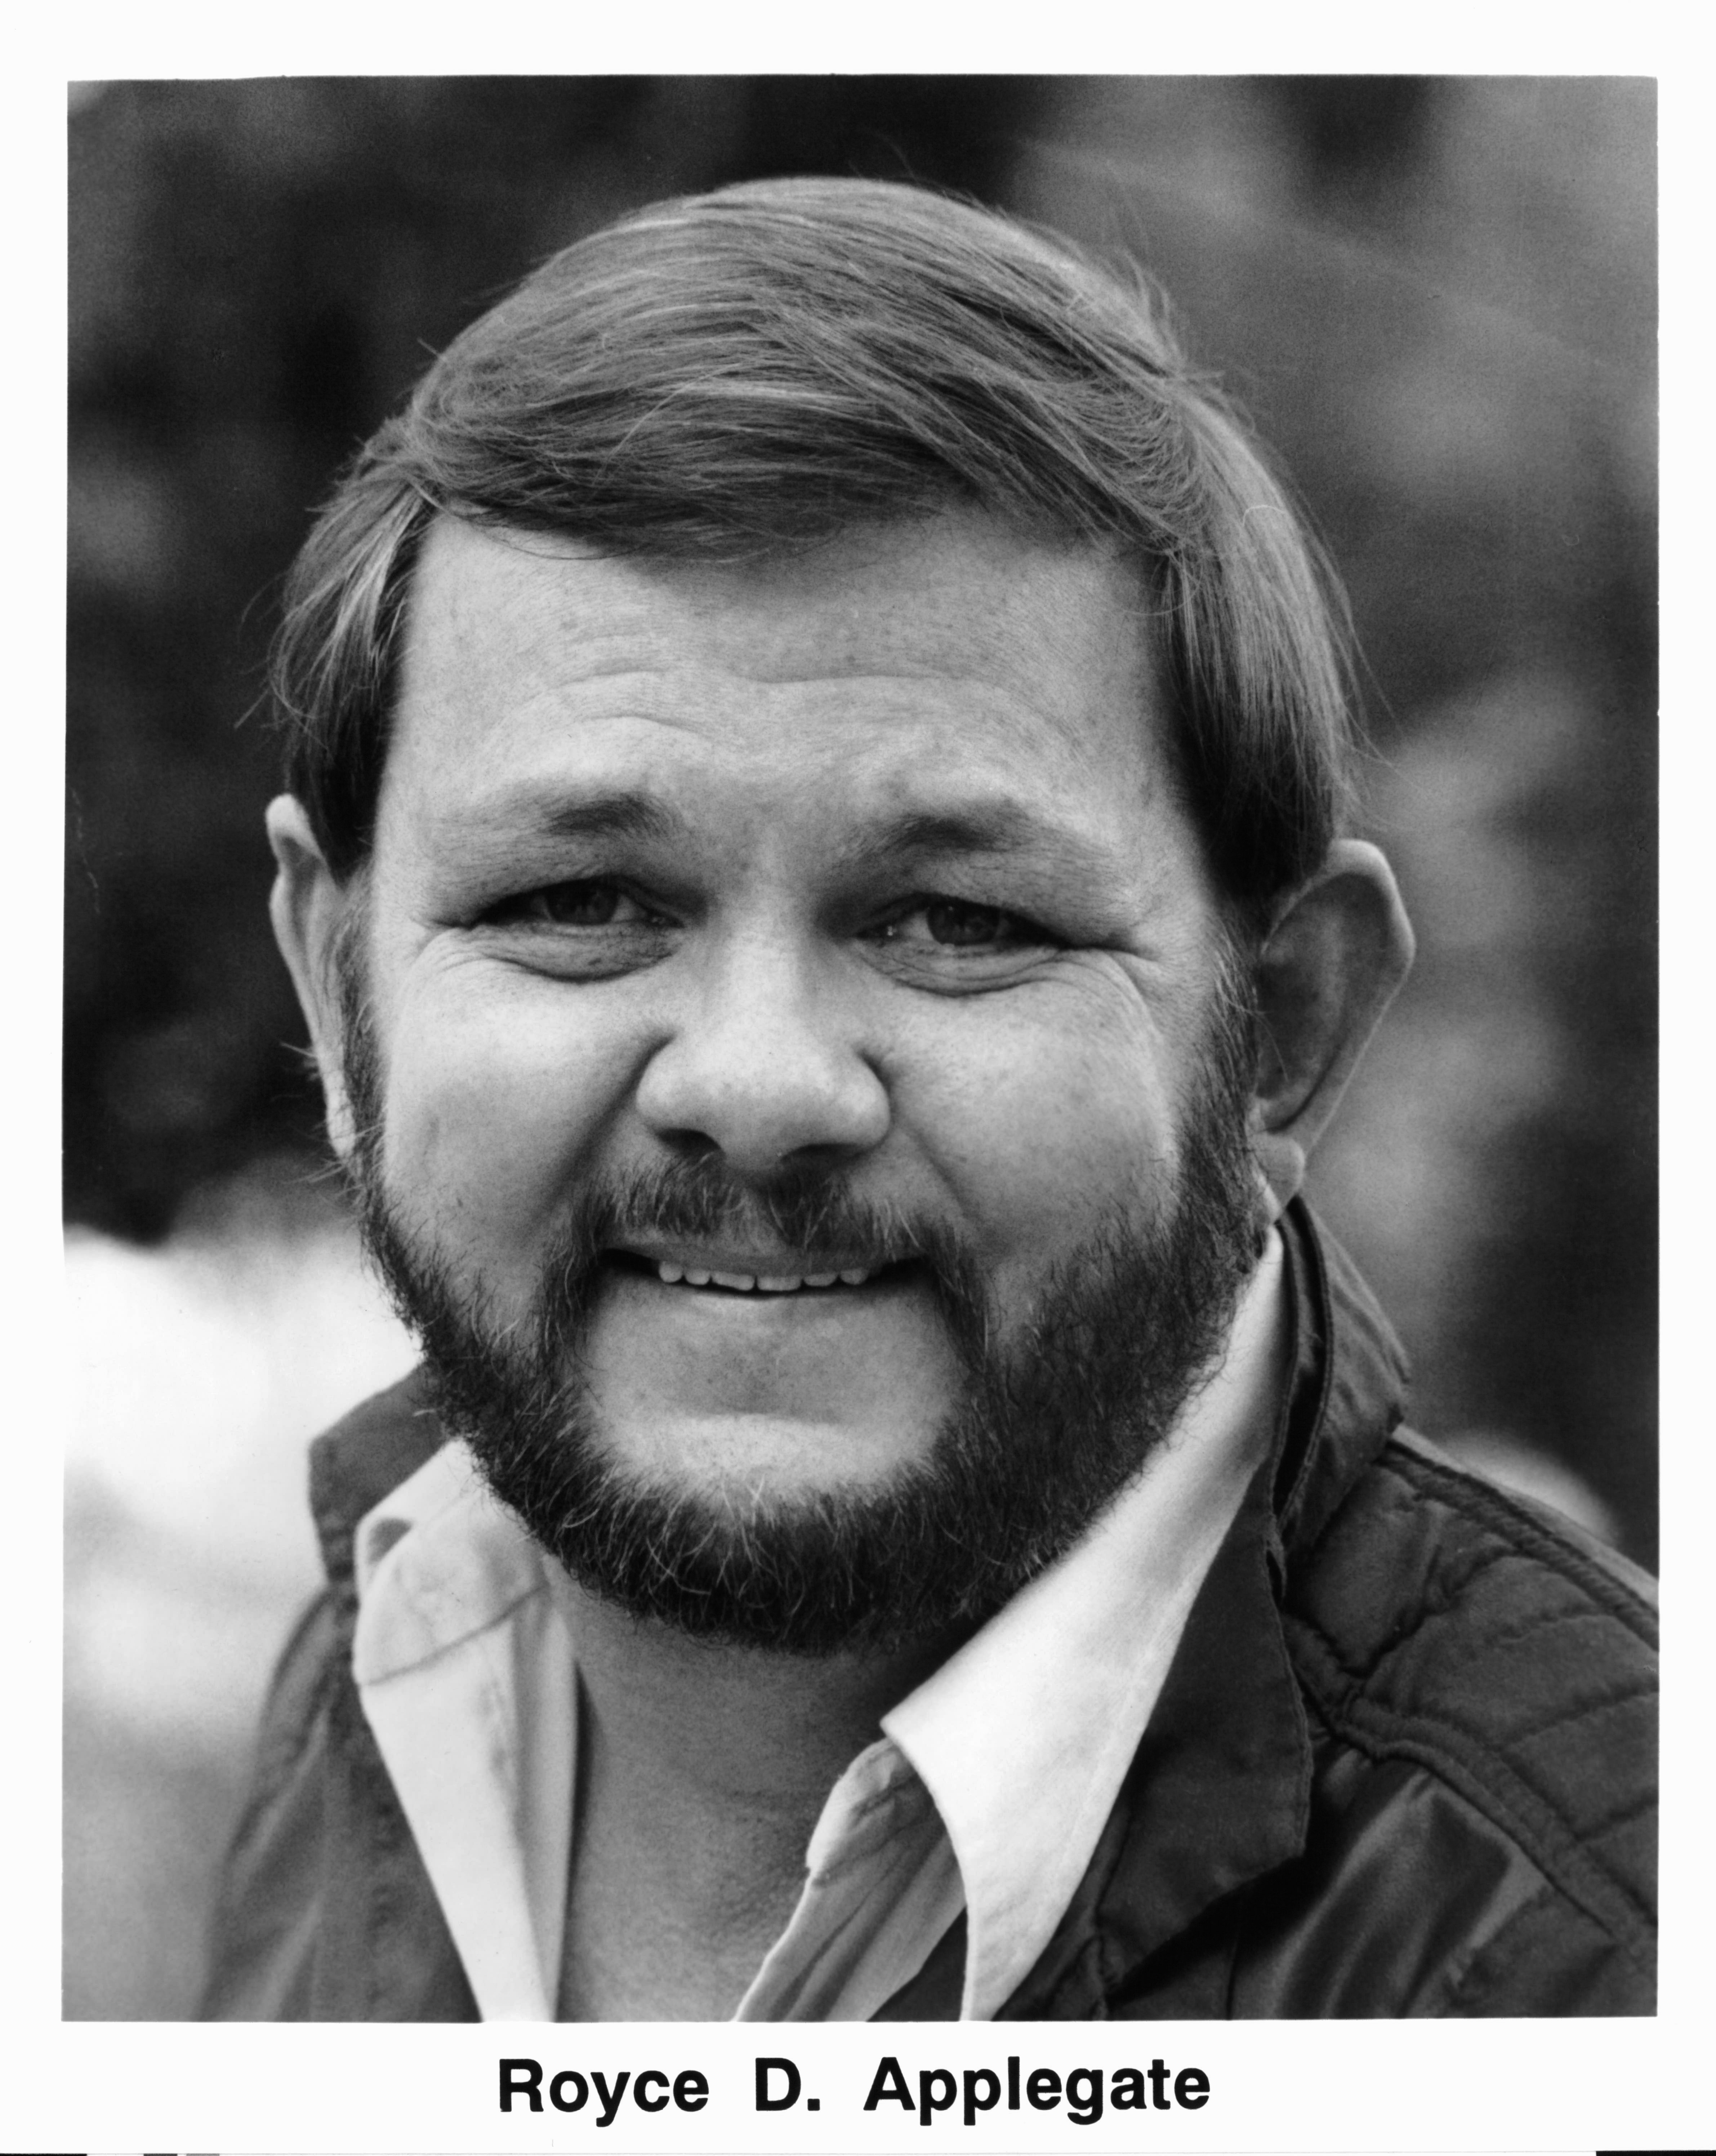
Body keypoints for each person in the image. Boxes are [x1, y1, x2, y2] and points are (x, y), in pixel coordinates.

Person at [201, 176, 1656, 2021]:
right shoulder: (374, 1661)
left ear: (1280, 1029)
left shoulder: (1608, 1951)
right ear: (340, 987)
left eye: (958, 920)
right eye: (576, 903)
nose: (756, 1087)